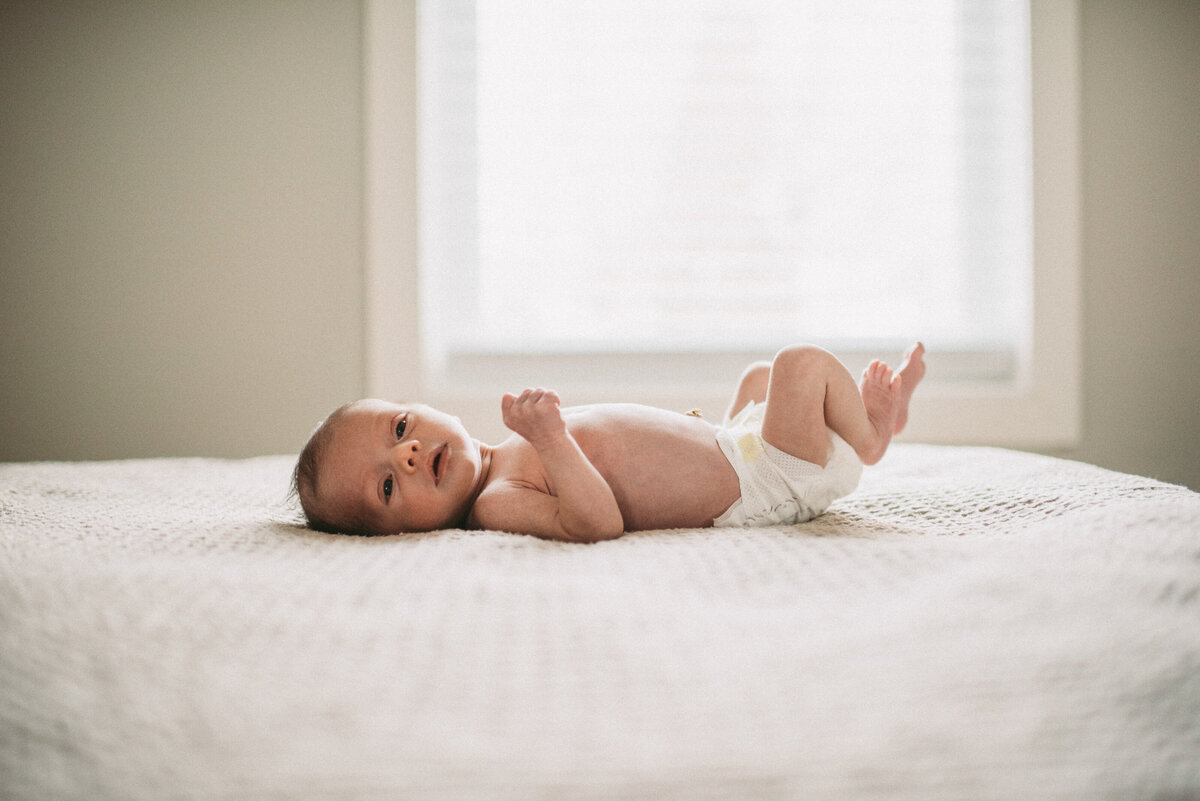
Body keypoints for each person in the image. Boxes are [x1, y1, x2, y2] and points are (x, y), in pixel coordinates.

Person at [292, 343, 926, 542]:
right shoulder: (494, 502)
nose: (404, 455)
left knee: (756, 380)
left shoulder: (506, 457)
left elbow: (634, 453)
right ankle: (871, 438)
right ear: (399, 534)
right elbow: (595, 522)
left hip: (737, 448)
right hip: (770, 481)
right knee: (797, 365)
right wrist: (551, 436)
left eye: (399, 428)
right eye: (386, 485)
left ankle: (874, 422)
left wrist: (686, 436)